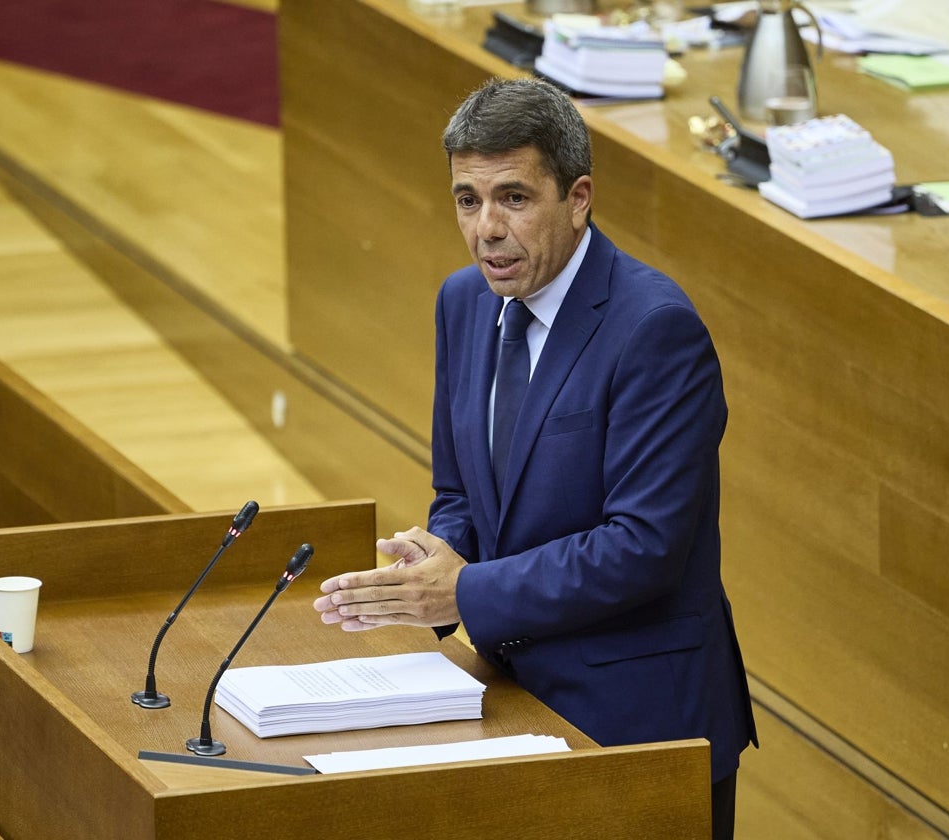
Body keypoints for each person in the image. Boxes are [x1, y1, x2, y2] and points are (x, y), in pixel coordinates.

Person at [312, 77, 758, 839]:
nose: (486, 228)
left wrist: (466, 592)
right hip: (506, 693)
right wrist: (437, 556)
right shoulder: (464, 302)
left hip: (638, 723)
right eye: (466, 200)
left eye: (513, 198)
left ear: (578, 198)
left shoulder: (654, 330)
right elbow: (460, 487)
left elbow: (643, 548)